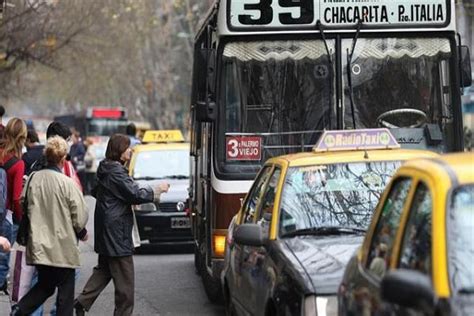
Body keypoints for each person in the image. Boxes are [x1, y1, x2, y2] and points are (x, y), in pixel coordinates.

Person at [75, 134, 169, 316]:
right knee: (125, 283)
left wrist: (118, 199)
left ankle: (81, 302)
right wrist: (158, 189)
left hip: (107, 228)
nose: (130, 150)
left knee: (103, 271)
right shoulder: (116, 172)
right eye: (127, 147)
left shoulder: (105, 169)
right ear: (118, 150)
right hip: (117, 232)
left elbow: (98, 191)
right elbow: (135, 193)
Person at [10, 136, 89, 316]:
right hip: (63, 246)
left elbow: (23, 202)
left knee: (45, 285)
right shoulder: (67, 183)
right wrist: (82, 232)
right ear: (62, 159)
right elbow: (79, 216)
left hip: (39, 245)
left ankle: (20, 310)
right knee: (65, 292)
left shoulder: (33, 179)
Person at [0, 118, 27, 293]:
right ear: (22, 138)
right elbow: (17, 198)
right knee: (3, 262)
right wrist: (21, 217)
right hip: (6, 216)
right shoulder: (18, 163)